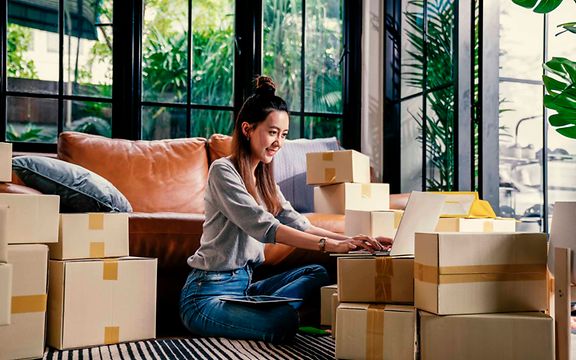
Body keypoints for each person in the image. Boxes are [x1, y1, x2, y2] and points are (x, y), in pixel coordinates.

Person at [179, 75, 391, 344]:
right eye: (272, 132)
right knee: (284, 322)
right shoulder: (223, 170)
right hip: (207, 297)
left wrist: (353, 241)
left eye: (284, 134)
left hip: (245, 288)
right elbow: (264, 226)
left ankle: (258, 314)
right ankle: (271, 316)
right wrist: (330, 245)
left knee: (316, 272)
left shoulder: (265, 178)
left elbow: (298, 222)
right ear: (247, 129)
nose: (279, 142)